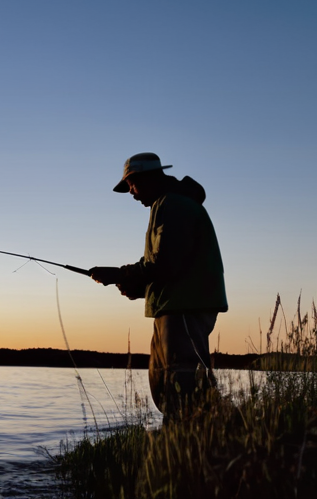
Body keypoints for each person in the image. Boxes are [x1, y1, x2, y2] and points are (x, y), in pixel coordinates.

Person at [89, 152, 228, 420]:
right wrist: (136, 287)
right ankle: (193, 436)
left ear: (147, 177)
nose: (130, 192)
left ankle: (194, 442)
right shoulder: (164, 205)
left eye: (131, 184)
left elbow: (165, 263)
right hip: (171, 304)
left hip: (185, 305)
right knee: (164, 383)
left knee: (182, 381)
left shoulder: (173, 205)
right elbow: (162, 262)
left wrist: (118, 273)